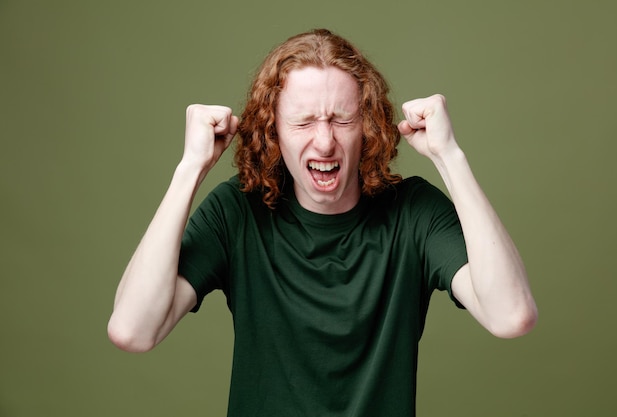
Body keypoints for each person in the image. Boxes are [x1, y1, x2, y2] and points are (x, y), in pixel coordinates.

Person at [108, 28, 537, 416]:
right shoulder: (236, 212)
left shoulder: (413, 213)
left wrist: (450, 157)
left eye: (342, 119)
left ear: (366, 126)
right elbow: (133, 330)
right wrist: (190, 169)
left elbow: (511, 315)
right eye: (304, 121)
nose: (326, 140)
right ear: (272, 129)